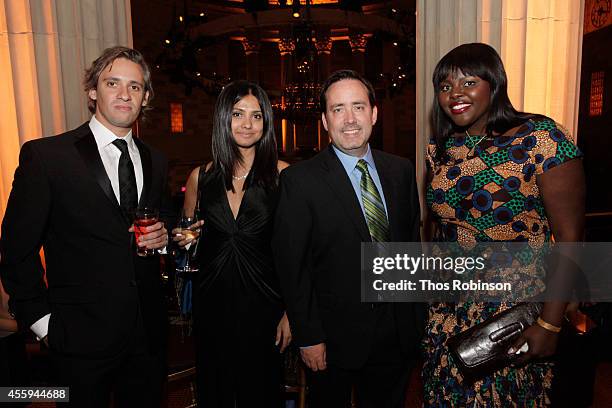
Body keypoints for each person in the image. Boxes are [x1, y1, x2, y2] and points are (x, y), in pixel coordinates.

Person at [0, 46, 172, 407]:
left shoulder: (156, 160)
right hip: (77, 337)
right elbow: (17, 249)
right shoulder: (48, 156)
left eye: (136, 87)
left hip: (147, 336)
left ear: (145, 97)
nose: (125, 94)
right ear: (93, 91)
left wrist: (163, 236)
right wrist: (42, 323)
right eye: (113, 83)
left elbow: (156, 224)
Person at [423, 43, 585, 406]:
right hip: (447, 313)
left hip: (513, 312)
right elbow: (436, 229)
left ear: (494, 84)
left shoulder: (542, 139)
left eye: (468, 82)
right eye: (445, 86)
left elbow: (571, 237)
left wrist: (549, 323)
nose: (455, 94)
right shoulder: (442, 149)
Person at [273, 69, 424, 408]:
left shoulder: (400, 171)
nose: (350, 118)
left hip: (397, 333)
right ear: (325, 121)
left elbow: (411, 244)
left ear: (374, 113)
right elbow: (292, 267)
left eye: (358, 106)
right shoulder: (300, 181)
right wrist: (309, 336)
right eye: (338, 109)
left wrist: (417, 321)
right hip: (333, 338)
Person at [175, 80, 291, 407]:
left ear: (266, 122)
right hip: (212, 306)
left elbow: (296, 254)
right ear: (224, 118)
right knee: (216, 392)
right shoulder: (200, 177)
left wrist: (290, 313)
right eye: (238, 114)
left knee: (263, 394)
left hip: (265, 308)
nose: (247, 124)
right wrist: (184, 240)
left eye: (256, 116)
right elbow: (189, 240)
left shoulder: (284, 176)